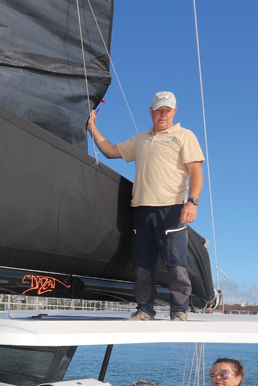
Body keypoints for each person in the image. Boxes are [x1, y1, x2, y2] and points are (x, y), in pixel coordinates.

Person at [87, 91, 204, 321]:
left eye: (167, 110)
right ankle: (144, 310)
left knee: (176, 265)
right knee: (141, 265)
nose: (163, 114)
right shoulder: (141, 139)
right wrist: (92, 127)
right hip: (141, 210)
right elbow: (111, 152)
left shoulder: (183, 136)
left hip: (172, 210)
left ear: (174, 111)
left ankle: (179, 311)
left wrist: (193, 202)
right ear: (151, 111)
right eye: (158, 109)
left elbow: (196, 171)